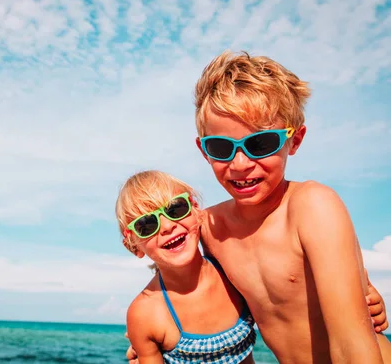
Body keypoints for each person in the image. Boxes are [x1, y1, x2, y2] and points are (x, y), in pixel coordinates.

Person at [125, 51, 391, 363]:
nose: (240, 164)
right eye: (222, 148)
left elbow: (352, 344)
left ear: (295, 140)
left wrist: (366, 294)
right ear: (203, 150)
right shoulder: (208, 228)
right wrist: (151, 342)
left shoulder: (312, 208)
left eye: (260, 144)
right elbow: (175, 272)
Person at [117, 170, 256, 363]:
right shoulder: (145, 313)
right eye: (147, 225)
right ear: (134, 246)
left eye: (175, 209)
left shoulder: (231, 271)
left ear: (196, 211)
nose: (167, 226)